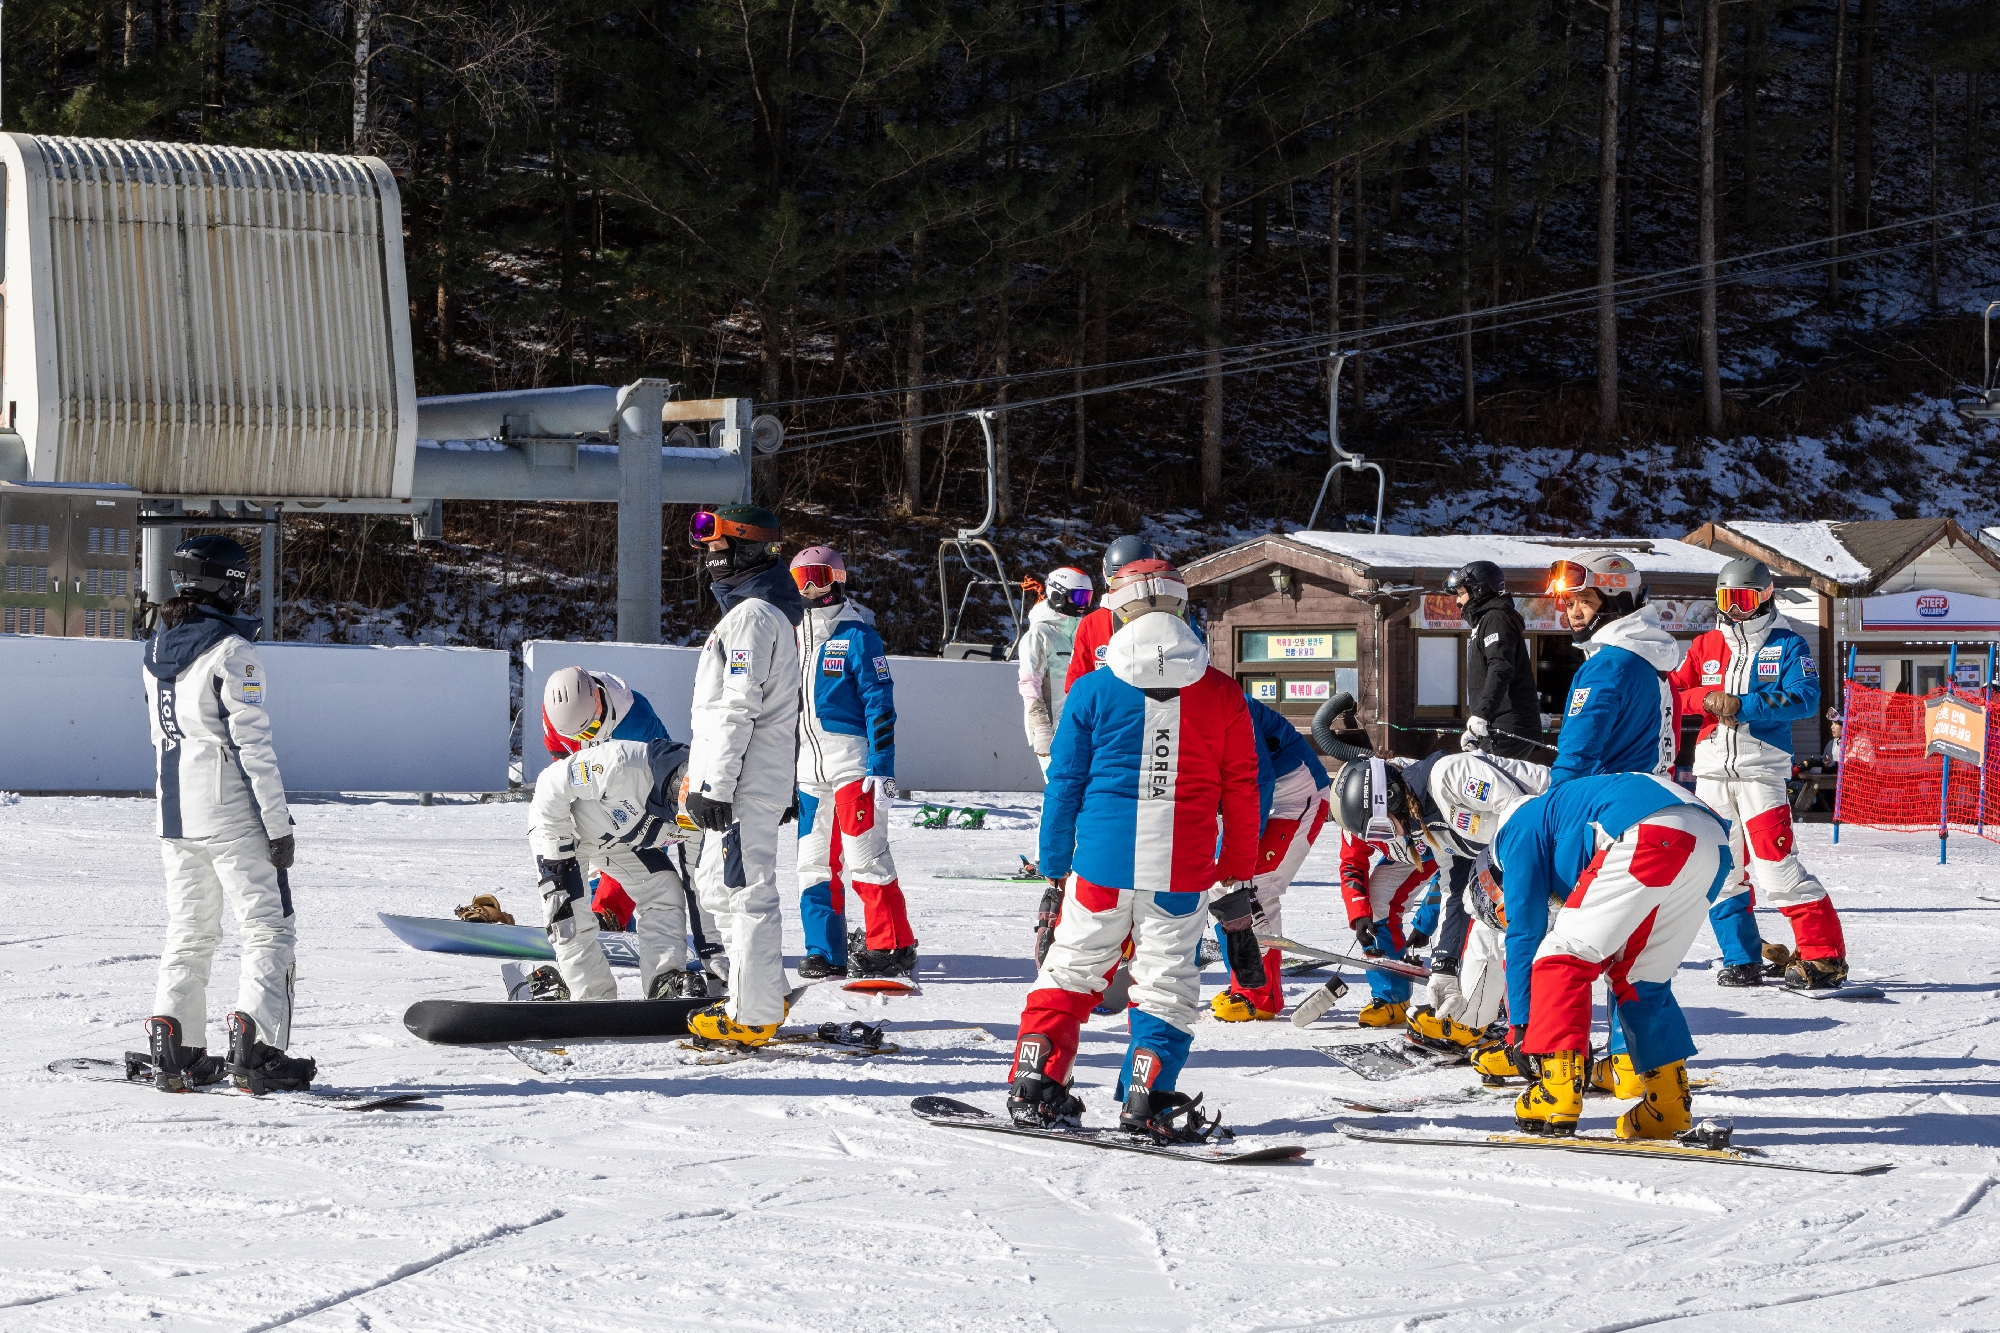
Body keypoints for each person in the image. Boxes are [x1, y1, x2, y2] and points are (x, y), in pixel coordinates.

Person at [1007, 559, 1260, 1141]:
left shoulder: (1093, 688)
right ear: (1181, 608)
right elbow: (1243, 790)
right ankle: (1147, 1096)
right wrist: (1237, 873)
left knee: (1071, 969)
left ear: (1118, 612)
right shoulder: (1223, 693)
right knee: (1166, 983)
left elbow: (1065, 783)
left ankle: (1034, 1081)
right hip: (1182, 868)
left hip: (1100, 862)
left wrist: (1054, 865)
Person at [1426, 754, 1726, 1140]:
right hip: (1711, 841)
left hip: (1648, 830)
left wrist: (1523, 1027)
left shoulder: (1514, 832)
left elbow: (1525, 935)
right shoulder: (1554, 821)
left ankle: (1558, 1090)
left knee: (1560, 957)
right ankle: (1668, 1105)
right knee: (1640, 977)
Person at [141, 535, 315, 1095]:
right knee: (268, 926)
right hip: (231, 811)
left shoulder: (155, 646)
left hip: (175, 810)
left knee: (189, 931)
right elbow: (252, 747)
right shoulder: (234, 653)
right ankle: (256, 1050)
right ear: (228, 584)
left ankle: (177, 1050)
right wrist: (278, 826)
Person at [1668, 558, 1848, 989]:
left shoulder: (1787, 645)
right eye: (1726, 599)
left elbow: (1806, 698)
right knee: (1720, 870)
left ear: (1765, 597)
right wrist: (1707, 698)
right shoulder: (1706, 644)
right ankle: (1741, 957)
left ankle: (1824, 957)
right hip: (1712, 773)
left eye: (1744, 600)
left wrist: (1743, 706)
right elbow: (1673, 692)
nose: (1734, 610)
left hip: (1761, 771)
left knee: (1776, 868)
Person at [682, 505, 804, 1046]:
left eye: (718, 547)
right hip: (740, 778)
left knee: (745, 890)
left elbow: (739, 707)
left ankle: (753, 1014)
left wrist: (716, 786)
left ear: (749, 549)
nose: (710, 557)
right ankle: (762, 989)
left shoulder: (754, 616)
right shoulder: (753, 614)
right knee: (716, 886)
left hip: (742, 782)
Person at [542, 667, 722, 981]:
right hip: (587, 786)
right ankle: (597, 910)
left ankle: (612, 912)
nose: (586, 738)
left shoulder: (634, 721)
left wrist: (711, 947)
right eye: (578, 736)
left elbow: (655, 788)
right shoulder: (558, 718)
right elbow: (561, 772)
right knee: (582, 841)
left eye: (591, 729)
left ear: (599, 703)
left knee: (639, 850)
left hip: (647, 789)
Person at [788, 545, 917, 981]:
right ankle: (825, 950)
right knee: (812, 864)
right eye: (801, 577)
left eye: (819, 576)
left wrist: (881, 765)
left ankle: (891, 944)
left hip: (852, 765)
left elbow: (880, 704)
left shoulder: (858, 636)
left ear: (838, 579)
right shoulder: (791, 637)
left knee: (865, 857)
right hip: (809, 771)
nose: (810, 587)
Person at [527, 738, 699, 1001]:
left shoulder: (709, 814)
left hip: (620, 840)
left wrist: (714, 959)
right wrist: (554, 859)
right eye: (686, 817)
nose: (687, 825)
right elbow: (549, 783)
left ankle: (664, 980)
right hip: (564, 833)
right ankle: (591, 996)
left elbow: (703, 886)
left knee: (664, 890)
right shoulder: (621, 763)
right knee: (567, 917)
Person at [1209, 696, 1331, 1022]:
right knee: (1219, 887)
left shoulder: (1223, 702)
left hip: (1293, 795)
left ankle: (1259, 995)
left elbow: (1256, 779)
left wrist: (1241, 848)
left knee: (1254, 888)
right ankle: (1243, 982)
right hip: (1243, 799)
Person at [1544, 551, 1682, 785]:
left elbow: (1576, 757)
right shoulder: (1651, 658)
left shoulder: (1606, 666)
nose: (1574, 613)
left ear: (1615, 601)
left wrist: (1553, 801)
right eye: (1568, 602)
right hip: (1656, 789)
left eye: (1585, 600)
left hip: (1608, 796)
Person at [1329, 757, 1443, 1028]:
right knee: (1376, 901)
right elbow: (1352, 864)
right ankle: (1391, 997)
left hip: (1448, 850)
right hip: (1406, 855)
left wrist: (1425, 922)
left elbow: (1456, 874)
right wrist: (1360, 914)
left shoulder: (1423, 792)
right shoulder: (1355, 811)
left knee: (1463, 909)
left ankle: (1475, 1002)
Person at [1447, 560, 1547, 759]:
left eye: (1461, 594)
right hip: (1496, 725)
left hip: (1509, 724)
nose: (1458, 602)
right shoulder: (1487, 621)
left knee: (1486, 778)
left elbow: (1500, 667)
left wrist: (1481, 714)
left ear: (1478, 591)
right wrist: (1477, 728)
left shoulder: (1496, 619)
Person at [1018, 567, 1094, 774]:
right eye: (1078, 597)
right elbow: (1029, 685)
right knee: (1061, 786)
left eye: (1087, 597)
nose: (1083, 604)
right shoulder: (1039, 635)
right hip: (1053, 730)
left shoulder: (1083, 630)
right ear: (1058, 594)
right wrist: (1041, 726)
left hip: (1082, 728)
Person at [1061, 535, 1157, 695]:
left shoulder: (1092, 623)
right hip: (1162, 709)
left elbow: (1075, 690)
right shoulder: (1176, 616)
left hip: (1111, 709)